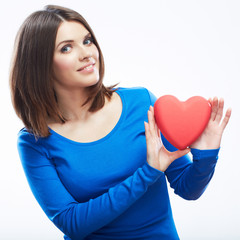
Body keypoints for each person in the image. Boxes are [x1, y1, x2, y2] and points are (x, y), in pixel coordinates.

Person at [9, 5, 231, 240]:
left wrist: (206, 156)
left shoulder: (140, 103)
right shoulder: (34, 141)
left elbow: (188, 189)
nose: (87, 53)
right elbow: (71, 222)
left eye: (87, 41)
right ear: (39, 65)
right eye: (66, 48)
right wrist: (148, 172)